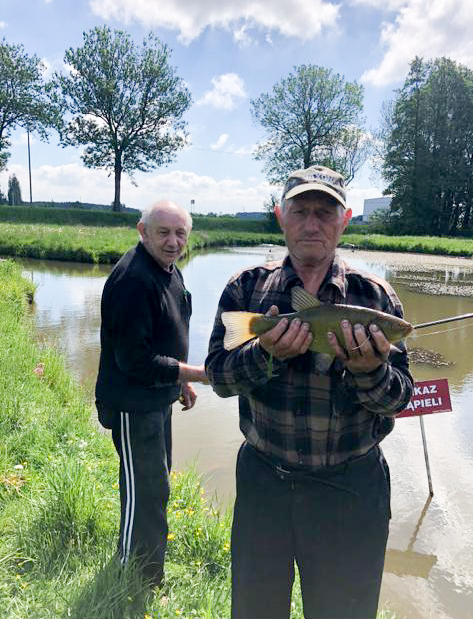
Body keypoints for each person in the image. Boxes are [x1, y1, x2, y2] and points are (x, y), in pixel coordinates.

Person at [205, 165, 414, 619]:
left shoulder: (376, 299)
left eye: (325, 212)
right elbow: (218, 379)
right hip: (265, 485)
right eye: (301, 211)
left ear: (345, 219)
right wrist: (264, 354)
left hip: (352, 490)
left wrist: (369, 371)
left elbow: (400, 399)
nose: (312, 223)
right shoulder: (245, 289)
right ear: (281, 216)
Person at [95, 200, 207, 587]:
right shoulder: (132, 280)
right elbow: (134, 361)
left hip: (159, 397)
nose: (174, 241)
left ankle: (148, 575)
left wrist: (181, 380)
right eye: (164, 232)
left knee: (157, 486)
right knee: (144, 493)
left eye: (181, 234)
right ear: (142, 231)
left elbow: (166, 335)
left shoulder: (169, 270)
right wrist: (196, 373)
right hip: (131, 403)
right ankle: (132, 580)